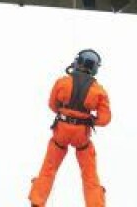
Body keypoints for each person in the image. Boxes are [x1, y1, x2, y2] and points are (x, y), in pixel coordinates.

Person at [28, 49, 112, 207]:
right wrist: (89, 119)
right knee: (89, 174)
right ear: (95, 68)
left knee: (49, 167)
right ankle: (95, 204)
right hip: (82, 136)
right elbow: (105, 119)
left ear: (77, 62)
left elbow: (52, 105)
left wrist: (66, 112)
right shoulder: (98, 90)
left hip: (61, 131)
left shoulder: (62, 82)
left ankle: (37, 201)